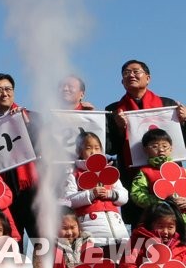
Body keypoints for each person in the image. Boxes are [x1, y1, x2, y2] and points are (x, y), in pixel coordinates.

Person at [106, 59, 186, 225]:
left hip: (169, 174)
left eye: (136, 71)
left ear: (148, 78)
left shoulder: (168, 105)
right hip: (132, 176)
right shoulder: (113, 110)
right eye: (126, 73)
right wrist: (120, 128)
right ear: (122, 81)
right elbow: (110, 148)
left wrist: (184, 121)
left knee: (175, 225)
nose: (131, 75)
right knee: (141, 228)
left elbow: (181, 142)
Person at [0, 73, 38, 240]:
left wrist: (27, 124)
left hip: (30, 185)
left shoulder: (31, 116)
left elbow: (44, 146)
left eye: (8, 89)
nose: (4, 93)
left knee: (40, 237)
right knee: (9, 237)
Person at [36, 208, 124, 268]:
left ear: (78, 226)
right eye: (64, 228)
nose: (69, 232)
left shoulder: (88, 244)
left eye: (73, 227)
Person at [63, 131, 129, 247]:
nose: (93, 152)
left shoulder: (109, 171)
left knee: (121, 257)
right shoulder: (74, 174)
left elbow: (124, 196)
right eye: (88, 148)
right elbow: (69, 200)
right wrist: (91, 194)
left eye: (97, 148)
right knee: (96, 257)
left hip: (118, 229)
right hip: (91, 230)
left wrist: (110, 194)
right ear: (79, 151)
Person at [119, 202, 186, 268]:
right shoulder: (136, 242)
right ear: (150, 224)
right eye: (160, 226)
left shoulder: (182, 246)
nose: (165, 231)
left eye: (170, 227)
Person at [129, 128, 186, 222]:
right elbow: (137, 195)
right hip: (161, 221)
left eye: (165, 146)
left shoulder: (182, 171)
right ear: (145, 150)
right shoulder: (145, 172)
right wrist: (161, 202)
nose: (161, 150)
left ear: (171, 148)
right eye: (155, 146)